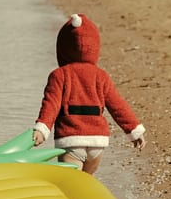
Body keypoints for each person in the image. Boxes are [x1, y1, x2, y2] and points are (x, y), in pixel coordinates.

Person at [32, 13, 146, 175]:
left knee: (71, 186)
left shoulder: (60, 75)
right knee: (86, 185)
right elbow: (117, 105)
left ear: (62, 47)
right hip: (97, 142)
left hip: (71, 139)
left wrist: (42, 129)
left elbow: (51, 104)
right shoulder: (101, 76)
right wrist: (134, 131)